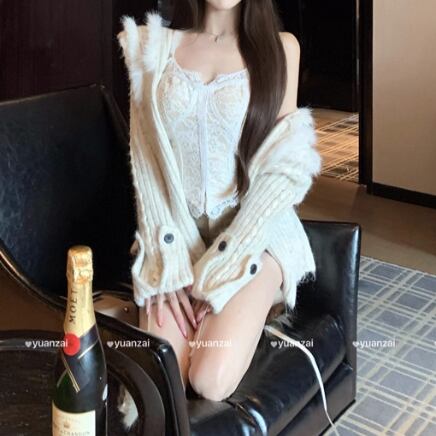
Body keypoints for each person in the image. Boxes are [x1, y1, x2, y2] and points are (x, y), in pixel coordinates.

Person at [117, 0, 337, 432]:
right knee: (163, 374)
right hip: (179, 240)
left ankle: (256, 303)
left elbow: (282, 171)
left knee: (209, 377)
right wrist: (167, 260)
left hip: (257, 237)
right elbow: (147, 167)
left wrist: (222, 267)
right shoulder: (153, 46)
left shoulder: (281, 49)